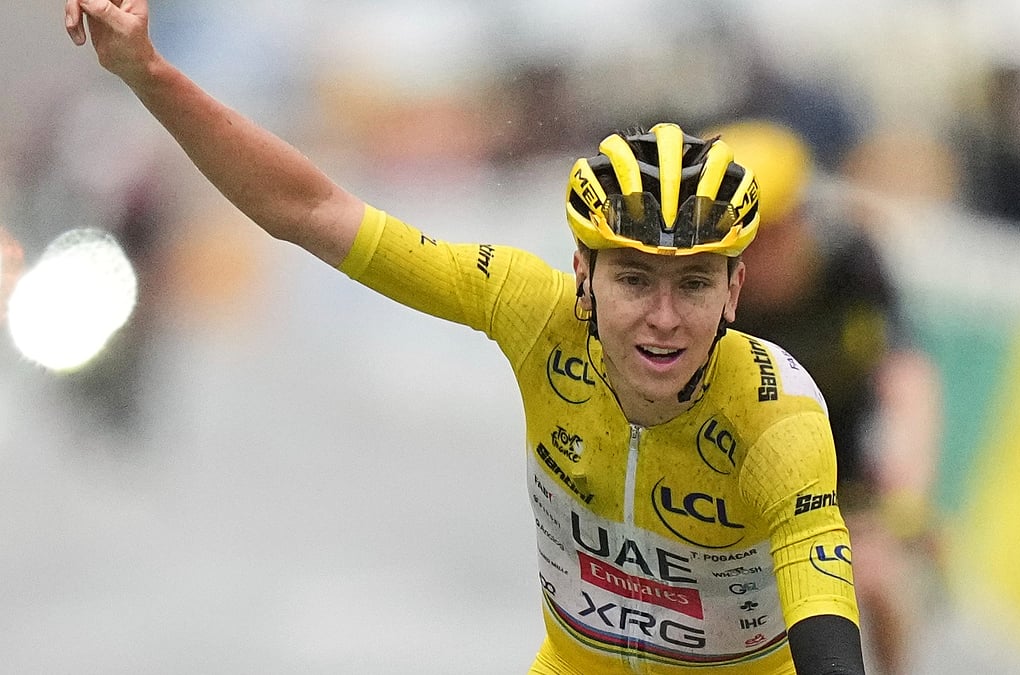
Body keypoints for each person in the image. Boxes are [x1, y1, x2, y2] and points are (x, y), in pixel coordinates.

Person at [66, 1, 866, 672]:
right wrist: (150, 73)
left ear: (735, 289)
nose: (663, 317)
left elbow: (827, 627)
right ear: (582, 276)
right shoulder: (529, 308)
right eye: (633, 280)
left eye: (692, 284)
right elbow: (309, 210)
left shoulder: (776, 415)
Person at [705, 120, 944, 675]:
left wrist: (909, 490)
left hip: (840, 469)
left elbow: (907, 380)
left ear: (798, 221)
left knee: (879, 582)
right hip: (735, 475)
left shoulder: (852, 263)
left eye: (766, 237)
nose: (749, 261)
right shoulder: (709, 292)